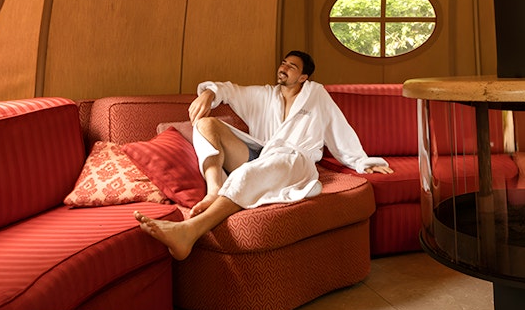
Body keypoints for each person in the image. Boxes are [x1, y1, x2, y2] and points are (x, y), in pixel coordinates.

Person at [135, 51, 393, 260]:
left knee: (251, 171)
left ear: (303, 77)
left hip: (295, 159)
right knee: (204, 124)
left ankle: (189, 231)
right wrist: (209, 93)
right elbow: (228, 89)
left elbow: (339, 129)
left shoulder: (317, 96)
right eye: (283, 63)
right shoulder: (264, 95)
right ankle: (215, 189)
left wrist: (362, 162)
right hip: (261, 152)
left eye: (291, 66)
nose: (284, 67)